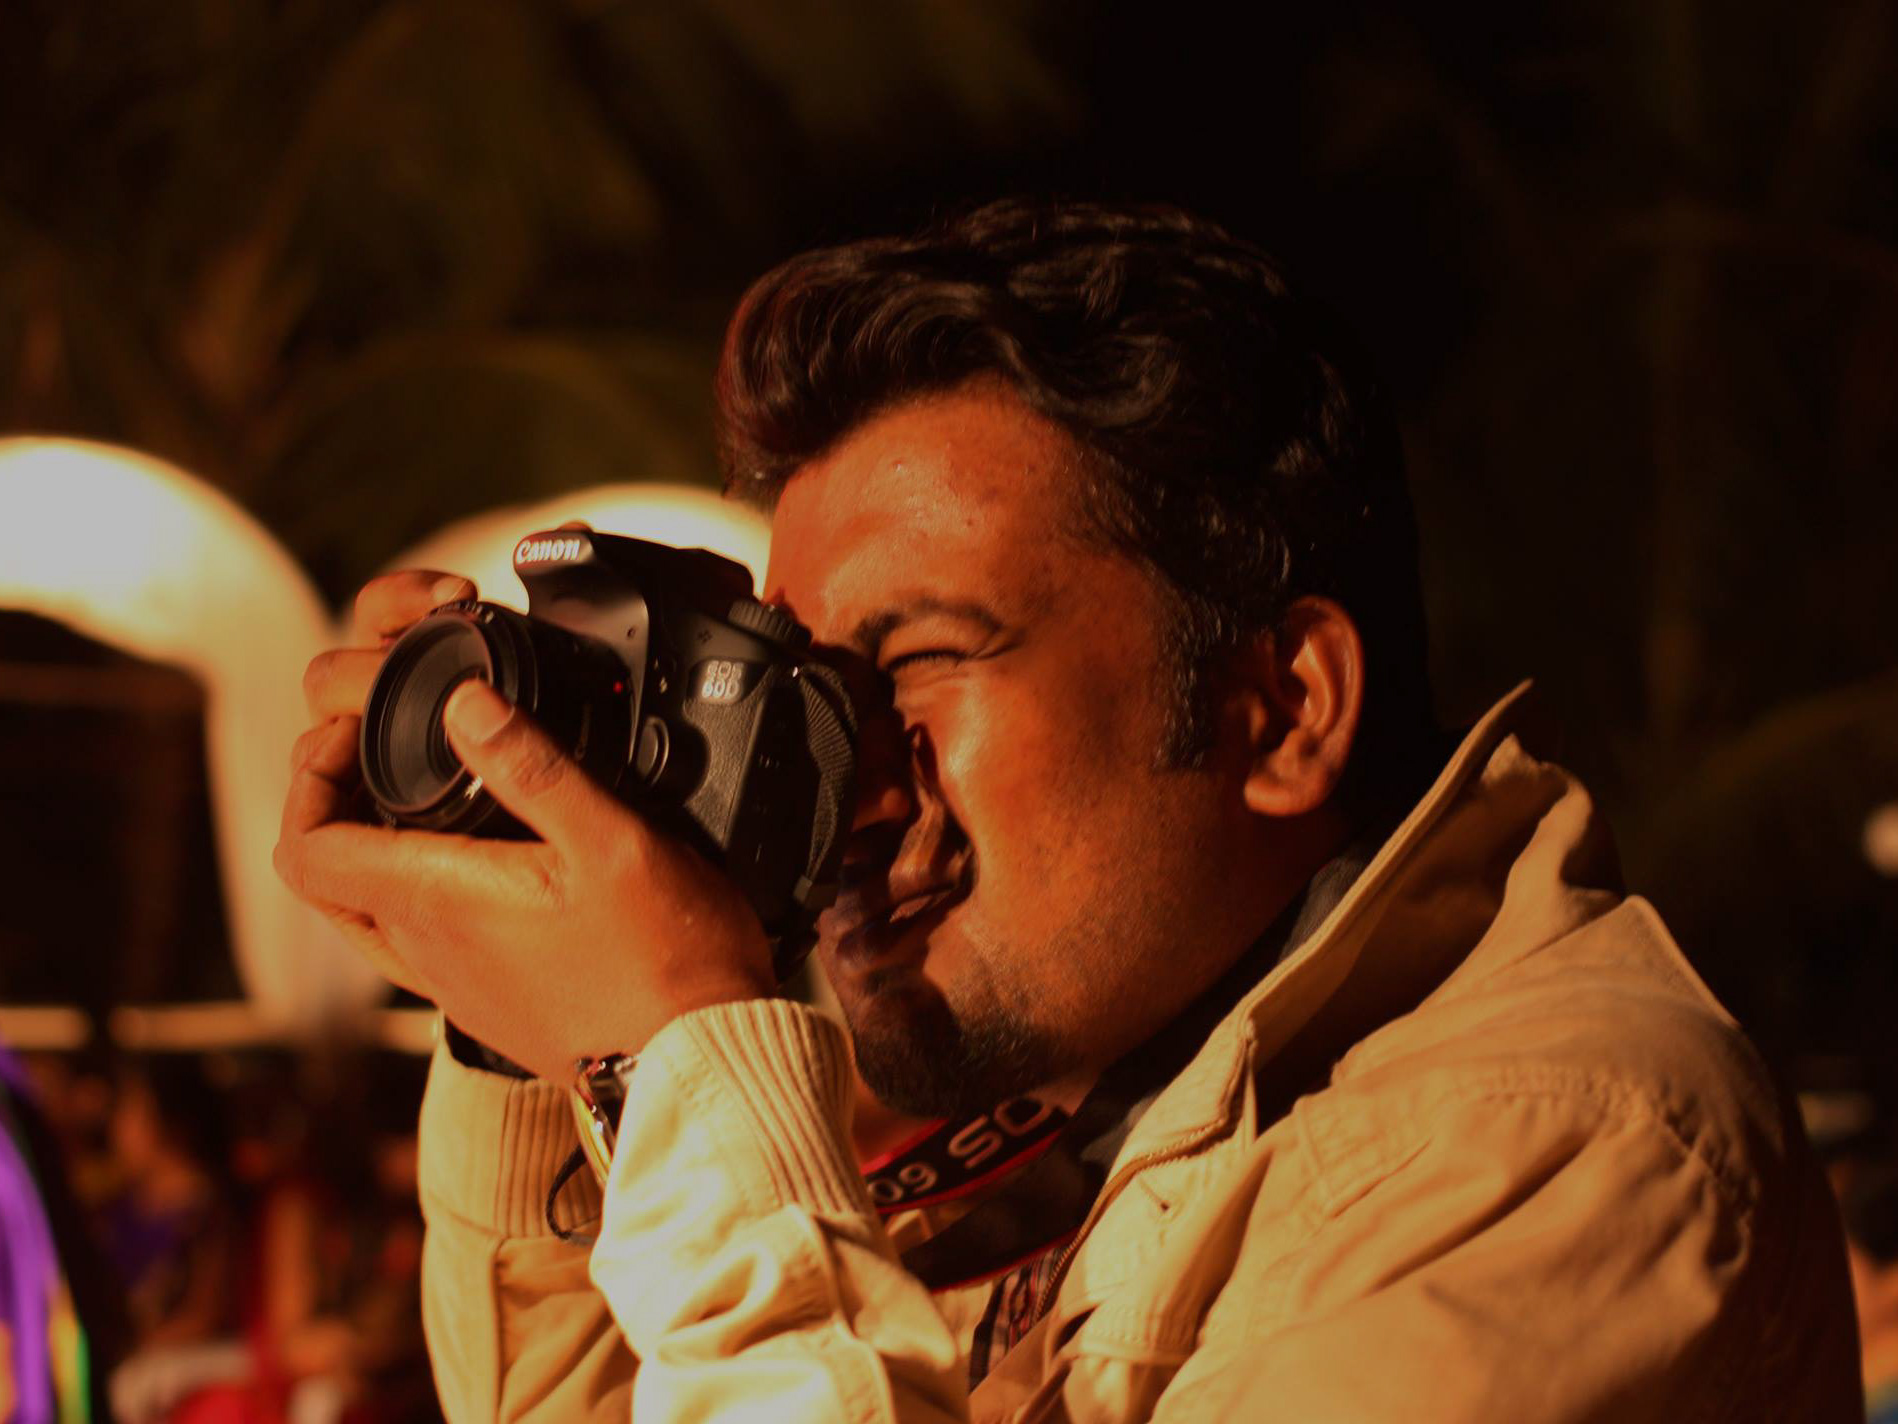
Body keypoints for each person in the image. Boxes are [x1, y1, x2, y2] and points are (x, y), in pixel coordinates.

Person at [276, 198, 1863, 1421]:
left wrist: (681, 1041)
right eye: (802, 691)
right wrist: (536, 1047)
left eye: (923, 659)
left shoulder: (1549, 1148)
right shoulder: (1112, 1134)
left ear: (1282, 710)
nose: (846, 784)